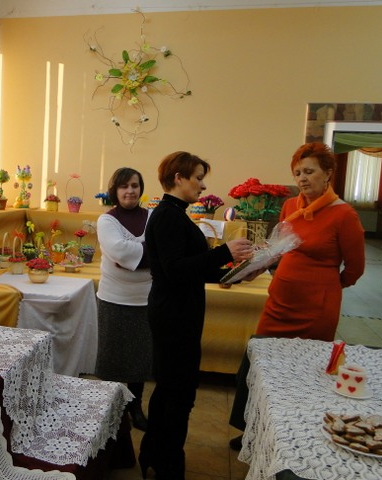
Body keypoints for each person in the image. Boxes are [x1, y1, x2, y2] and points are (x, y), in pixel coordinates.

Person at [228, 142, 366, 449]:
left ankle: (294, 436)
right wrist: (254, 268)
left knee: (302, 372)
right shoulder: (291, 206)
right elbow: (278, 248)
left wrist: (326, 286)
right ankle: (252, 429)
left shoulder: (344, 215)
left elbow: (355, 269)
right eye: (298, 172)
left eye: (309, 171)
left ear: (328, 173)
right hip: (280, 301)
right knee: (261, 361)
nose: (302, 178)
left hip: (316, 308)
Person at [139, 151, 253, 479]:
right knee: (179, 393)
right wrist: (225, 252)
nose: (203, 186)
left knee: (170, 389)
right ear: (179, 178)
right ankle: (168, 465)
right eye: (198, 178)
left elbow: (192, 270)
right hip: (173, 315)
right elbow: (175, 270)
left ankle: (153, 454)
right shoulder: (168, 216)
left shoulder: (175, 214)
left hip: (179, 312)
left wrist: (235, 274)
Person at [95, 167, 153, 431]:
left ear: (141, 189)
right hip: (114, 300)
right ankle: (110, 409)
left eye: (135, 185)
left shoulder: (152, 217)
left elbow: (160, 249)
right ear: (115, 190)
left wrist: (135, 256)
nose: (130, 191)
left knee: (140, 359)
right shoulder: (107, 221)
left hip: (146, 300)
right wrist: (152, 256)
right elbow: (119, 252)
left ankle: (135, 407)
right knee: (113, 359)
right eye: (124, 186)